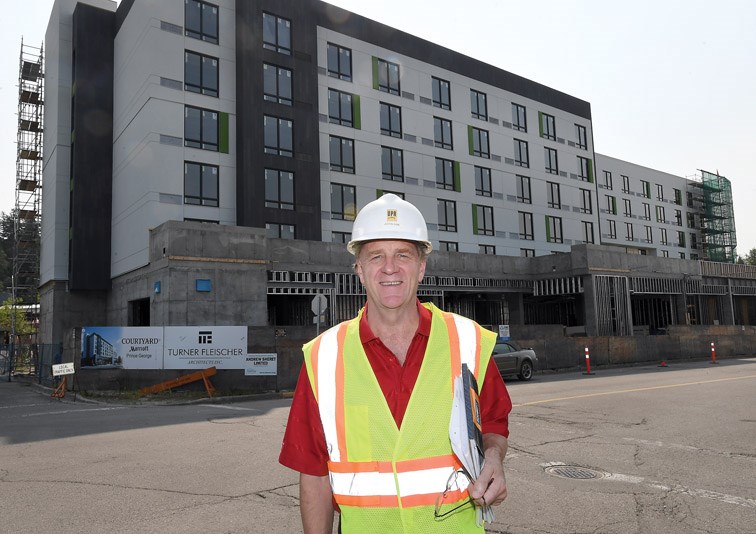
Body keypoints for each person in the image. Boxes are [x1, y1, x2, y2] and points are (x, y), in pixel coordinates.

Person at [279, 194, 512, 533]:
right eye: (376, 256)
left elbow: (493, 423)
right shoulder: (322, 356)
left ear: (421, 266)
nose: (390, 267)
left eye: (403, 254)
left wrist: (493, 458)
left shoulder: (468, 342)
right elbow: (315, 475)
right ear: (359, 269)